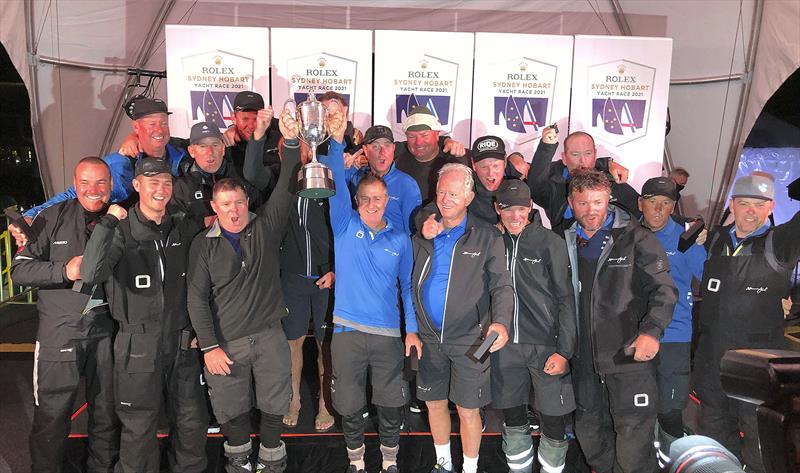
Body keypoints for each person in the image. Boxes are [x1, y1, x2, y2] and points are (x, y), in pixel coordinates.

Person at [186, 108, 302, 473]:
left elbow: (285, 185)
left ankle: (271, 459)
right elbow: (196, 298)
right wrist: (208, 347)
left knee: (273, 404)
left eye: (238, 203)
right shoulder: (203, 244)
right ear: (214, 207)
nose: (234, 211)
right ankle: (238, 462)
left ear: (247, 203)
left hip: (268, 336)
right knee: (230, 409)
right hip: (226, 343)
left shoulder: (265, 228)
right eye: (225, 205)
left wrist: (293, 142)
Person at [79, 158, 208, 473]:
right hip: (137, 345)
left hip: (182, 343)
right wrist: (108, 222)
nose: (161, 190)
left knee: (191, 425)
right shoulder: (122, 231)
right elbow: (90, 272)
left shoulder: (183, 226)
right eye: (153, 183)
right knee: (138, 430)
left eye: (166, 182)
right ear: (137, 186)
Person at [321, 109, 420, 473]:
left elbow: (407, 287)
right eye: (367, 198)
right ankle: (357, 463)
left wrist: (410, 329)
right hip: (347, 331)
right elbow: (333, 175)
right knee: (348, 404)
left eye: (380, 198)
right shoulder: (344, 224)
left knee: (390, 403)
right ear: (358, 201)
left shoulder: (399, 239)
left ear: (386, 200)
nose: (374, 204)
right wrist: (335, 139)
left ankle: (390, 462)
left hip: (388, 335)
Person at [563, 169, 677, 473]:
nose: (591, 210)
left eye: (597, 202)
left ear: (608, 199)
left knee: (633, 443)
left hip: (629, 358)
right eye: (583, 203)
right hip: (584, 360)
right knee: (589, 434)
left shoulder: (636, 237)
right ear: (571, 202)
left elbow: (664, 290)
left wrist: (651, 332)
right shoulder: (564, 241)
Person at [10, 157, 119, 473]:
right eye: (85, 183)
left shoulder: (121, 219)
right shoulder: (51, 217)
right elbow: (20, 269)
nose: (93, 190)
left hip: (108, 329)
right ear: (75, 184)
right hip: (61, 331)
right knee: (53, 413)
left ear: (111, 185)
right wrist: (63, 269)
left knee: (106, 411)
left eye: (101, 182)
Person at [693, 173, 800, 472]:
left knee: (758, 435)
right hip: (713, 357)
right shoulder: (714, 239)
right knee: (714, 431)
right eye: (744, 203)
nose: (751, 210)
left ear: (771, 207)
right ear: (732, 205)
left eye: (759, 204)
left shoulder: (779, 244)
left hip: (759, 362)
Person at [413, 163, 514, 473]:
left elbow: (502, 285)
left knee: (469, 409)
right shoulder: (424, 232)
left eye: (454, 193)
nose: (446, 199)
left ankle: (469, 469)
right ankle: (442, 464)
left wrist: (501, 322)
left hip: (473, 339)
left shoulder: (486, 237)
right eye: (441, 191)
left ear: (470, 197)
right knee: (434, 403)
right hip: (429, 338)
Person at [242, 119, 336, 433]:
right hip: (292, 279)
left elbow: (343, 226)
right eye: (290, 150)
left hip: (327, 280)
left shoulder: (326, 178)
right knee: (292, 342)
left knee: (326, 345)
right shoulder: (280, 182)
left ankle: (325, 404)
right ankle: (294, 399)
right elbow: (251, 174)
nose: (300, 154)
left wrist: (336, 268)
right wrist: (256, 139)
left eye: (305, 146)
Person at [490, 179, 577, 473]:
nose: (515, 216)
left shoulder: (551, 242)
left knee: (554, 418)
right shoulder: (490, 242)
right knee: (513, 418)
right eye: (507, 209)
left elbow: (567, 300)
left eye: (520, 209)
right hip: (504, 348)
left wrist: (564, 351)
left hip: (546, 346)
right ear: (496, 209)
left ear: (530, 208)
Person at [19, 98, 186, 224]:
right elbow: (75, 194)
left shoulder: (182, 152)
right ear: (136, 128)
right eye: (151, 124)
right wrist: (32, 214)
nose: (159, 129)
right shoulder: (121, 164)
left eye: (164, 123)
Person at [636, 177, 707, 465]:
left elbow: (711, 279)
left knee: (670, 408)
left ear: (672, 207)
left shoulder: (686, 239)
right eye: (652, 201)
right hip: (635, 334)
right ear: (641, 203)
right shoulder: (628, 235)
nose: (658, 209)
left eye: (665, 203)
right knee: (638, 405)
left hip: (675, 336)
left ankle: (670, 462)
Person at [510, 130, 639, 235]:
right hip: (565, 258)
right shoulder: (554, 185)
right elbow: (535, 181)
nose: (582, 161)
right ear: (564, 158)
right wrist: (544, 148)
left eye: (588, 153)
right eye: (575, 154)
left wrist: (606, 163)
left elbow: (641, 213)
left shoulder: (614, 180)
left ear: (595, 155)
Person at [170, 121, 261, 224]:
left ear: (223, 149)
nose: (210, 152)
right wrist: (204, 223)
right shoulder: (180, 187)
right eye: (202, 146)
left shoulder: (242, 177)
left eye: (215, 145)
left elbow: (259, 214)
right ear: (191, 151)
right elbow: (175, 225)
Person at [346, 125, 422, 234]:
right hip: (360, 247)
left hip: (395, 249)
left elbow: (413, 233)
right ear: (365, 151)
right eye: (376, 146)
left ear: (393, 148)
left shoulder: (407, 184)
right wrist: (342, 166)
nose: (382, 152)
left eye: (387, 146)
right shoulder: (355, 177)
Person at [394, 106, 468, 205]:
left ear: (437, 135)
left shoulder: (455, 159)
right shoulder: (396, 156)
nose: (418, 142)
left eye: (425, 135)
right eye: (412, 136)